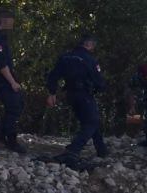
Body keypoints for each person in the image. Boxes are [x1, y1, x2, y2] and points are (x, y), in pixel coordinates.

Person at [46, 34, 108, 167]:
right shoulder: (89, 59)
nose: (93, 48)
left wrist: (52, 93)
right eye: (93, 46)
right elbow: (99, 81)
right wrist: (101, 88)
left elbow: (53, 76)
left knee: (91, 121)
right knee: (92, 121)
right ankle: (73, 150)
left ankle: (102, 151)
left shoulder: (65, 57)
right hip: (84, 94)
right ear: (89, 44)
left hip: (70, 95)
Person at [0, 9, 27, 153]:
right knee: (13, 108)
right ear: (4, 20)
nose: (13, 22)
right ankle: (11, 141)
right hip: (2, 78)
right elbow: (1, 64)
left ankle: (0, 132)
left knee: (18, 103)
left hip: (3, 77)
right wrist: (12, 82)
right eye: (11, 19)